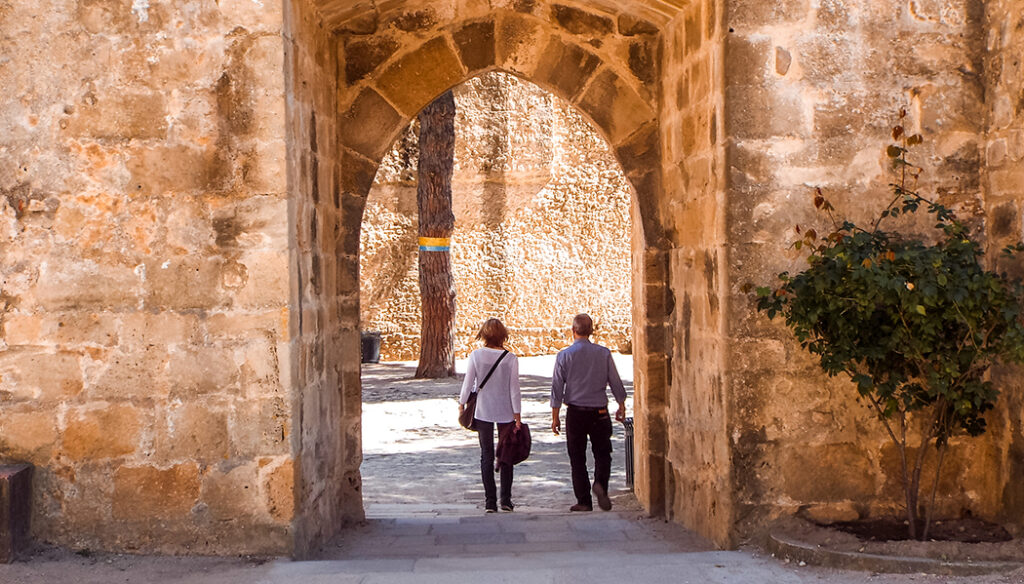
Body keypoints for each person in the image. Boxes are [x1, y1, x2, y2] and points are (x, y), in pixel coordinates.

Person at [550, 313, 626, 512]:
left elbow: (557, 388)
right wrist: (621, 404)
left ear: (572, 331)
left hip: (575, 412)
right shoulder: (603, 353)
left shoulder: (564, 356)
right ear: (592, 331)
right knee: (603, 453)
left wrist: (555, 417)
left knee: (577, 457)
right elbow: (615, 381)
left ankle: (583, 500)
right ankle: (600, 483)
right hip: (599, 411)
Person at [459, 318, 522, 513]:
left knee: (486, 455)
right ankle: (506, 500)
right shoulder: (510, 358)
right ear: (503, 335)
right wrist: (517, 414)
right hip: (505, 410)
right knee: (506, 455)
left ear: (484, 335)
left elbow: (468, 383)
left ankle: (489, 501)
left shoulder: (476, 356)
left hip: (483, 410)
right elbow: (514, 389)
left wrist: (461, 404)